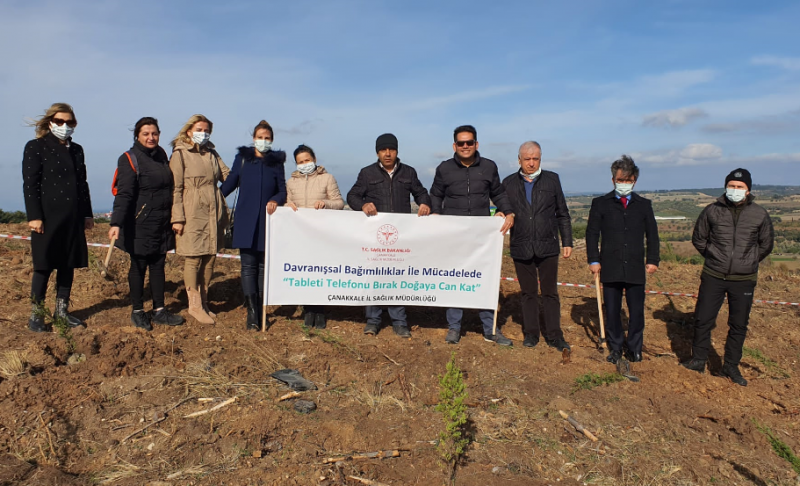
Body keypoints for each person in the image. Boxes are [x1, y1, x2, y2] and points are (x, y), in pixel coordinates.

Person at [681, 169, 774, 386]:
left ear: (748, 190)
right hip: (714, 274)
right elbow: (699, 238)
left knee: (739, 324)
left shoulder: (759, 214)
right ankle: (698, 360)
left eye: (740, 187)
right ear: (725, 187)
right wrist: (714, 257)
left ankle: (730, 366)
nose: (735, 190)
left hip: (744, 279)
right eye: (732, 185)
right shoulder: (712, 211)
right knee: (703, 319)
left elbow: (765, 245)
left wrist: (747, 261)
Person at [429, 125, 515, 346]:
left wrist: (508, 210)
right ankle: (454, 328)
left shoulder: (488, 167)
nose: (465, 146)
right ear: (454, 146)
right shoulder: (444, 168)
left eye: (469, 143)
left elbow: (497, 192)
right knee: (454, 278)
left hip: (481, 236)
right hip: (453, 234)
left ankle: (490, 328)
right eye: (461, 143)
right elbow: (436, 194)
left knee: (485, 279)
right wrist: (436, 215)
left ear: (476, 144)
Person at [347, 133, 432, 338]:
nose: (387, 153)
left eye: (391, 149)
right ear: (377, 152)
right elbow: (352, 196)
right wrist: (362, 205)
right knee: (374, 278)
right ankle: (373, 320)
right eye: (383, 149)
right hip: (375, 237)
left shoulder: (409, 172)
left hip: (401, 236)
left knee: (398, 278)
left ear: (397, 151)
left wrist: (425, 203)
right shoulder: (367, 173)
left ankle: (399, 321)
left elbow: (421, 192)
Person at [22, 103, 94, 332]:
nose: (64, 126)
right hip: (47, 216)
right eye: (60, 121)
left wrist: (87, 213)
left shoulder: (77, 150)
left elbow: (82, 184)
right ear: (50, 122)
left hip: (72, 216)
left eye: (69, 122)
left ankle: (61, 311)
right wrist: (34, 216)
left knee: (68, 264)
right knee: (43, 265)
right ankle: (37, 314)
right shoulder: (36, 147)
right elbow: (30, 184)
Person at [109, 117, 185, 331]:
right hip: (139, 223)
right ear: (137, 136)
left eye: (154, 133)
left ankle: (160, 310)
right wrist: (116, 222)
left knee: (159, 266)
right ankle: (137, 311)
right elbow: (124, 194)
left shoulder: (161, 155)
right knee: (138, 266)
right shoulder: (129, 159)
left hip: (162, 222)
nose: (151, 138)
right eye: (146, 134)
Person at [586, 155, 659, 364]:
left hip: (635, 266)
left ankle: (635, 348)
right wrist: (593, 259)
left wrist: (653, 259)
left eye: (628, 181)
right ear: (613, 180)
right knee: (612, 309)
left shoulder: (644, 205)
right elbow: (592, 234)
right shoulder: (600, 204)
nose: (624, 184)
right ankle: (616, 347)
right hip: (610, 265)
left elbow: (652, 235)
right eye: (620, 180)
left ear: (634, 180)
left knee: (636, 312)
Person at [502, 141, 572, 350]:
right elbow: (502, 210)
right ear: (519, 159)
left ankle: (554, 335)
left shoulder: (552, 180)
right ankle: (531, 334)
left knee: (550, 292)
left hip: (547, 245)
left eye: (536, 159)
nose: (531, 163)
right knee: (528, 293)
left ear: (540, 158)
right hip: (521, 245)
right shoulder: (508, 183)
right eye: (527, 159)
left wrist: (566, 240)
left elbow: (563, 212)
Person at [220, 120, 287, 331]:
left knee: (262, 267)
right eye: (260, 137)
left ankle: (261, 308)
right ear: (253, 139)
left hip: (268, 221)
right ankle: (251, 313)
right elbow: (230, 182)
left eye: (267, 138)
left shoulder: (276, 162)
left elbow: (282, 190)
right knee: (248, 267)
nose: (263, 141)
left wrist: (276, 199)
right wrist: (213, 196)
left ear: (272, 140)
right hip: (245, 220)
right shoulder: (242, 159)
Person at [169, 114, 230, 325]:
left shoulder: (212, 153)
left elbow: (226, 174)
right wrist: (177, 218)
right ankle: (194, 305)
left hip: (214, 209)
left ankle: (204, 301)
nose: (203, 134)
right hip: (192, 209)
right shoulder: (180, 154)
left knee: (210, 256)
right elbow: (175, 188)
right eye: (199, 129)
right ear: (189, 131)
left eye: (206, 130)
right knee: (194, 257)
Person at [286, 144, 345, 329]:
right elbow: (287, 202)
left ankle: (319, 310)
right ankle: (308, 310)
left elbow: (339, 202)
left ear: (314, 159)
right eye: (300, 162)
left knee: (319, 271)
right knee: (304, 272)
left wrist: (325, 203)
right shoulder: (290, 182)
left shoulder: (327, 178)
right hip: (300, 234)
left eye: (307, 160)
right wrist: (286, 205)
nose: (304, 164)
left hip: (321, 233)